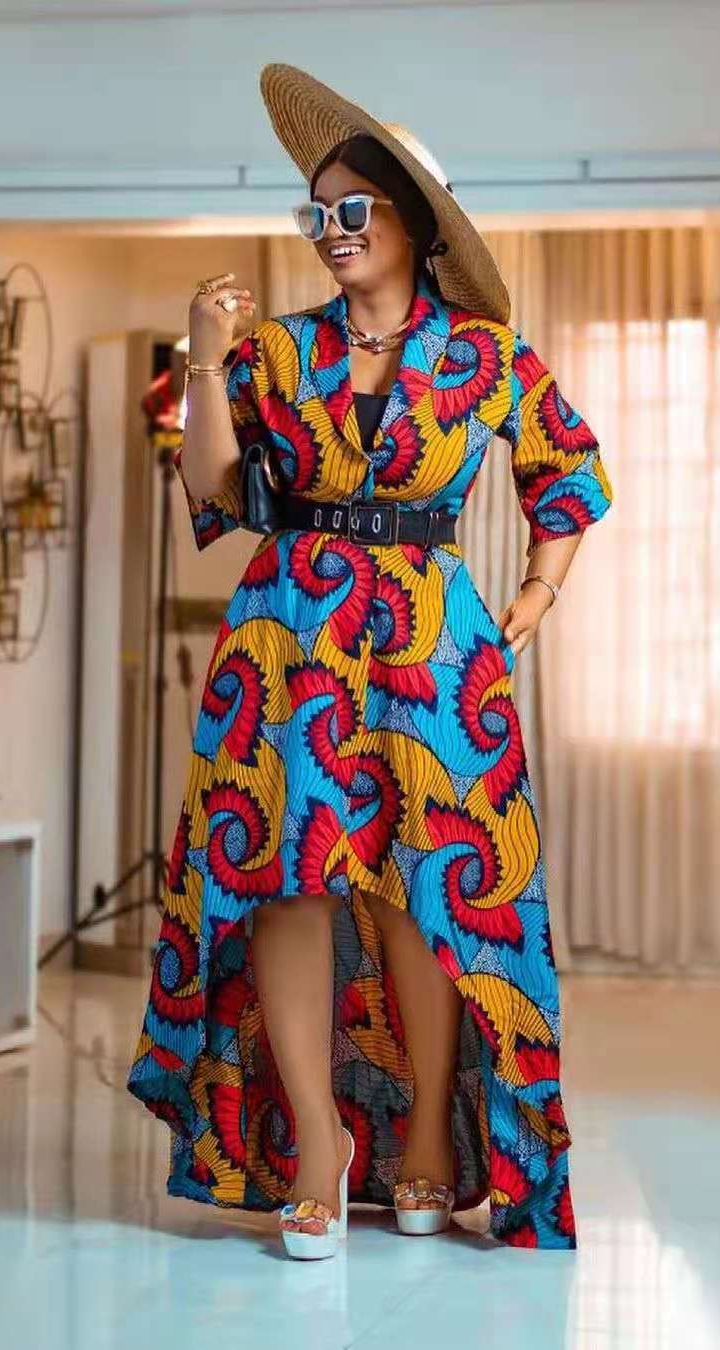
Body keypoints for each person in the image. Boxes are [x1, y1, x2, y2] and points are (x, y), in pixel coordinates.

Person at [125, 62, 613, 1259]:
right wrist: (204, 354)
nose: (330, 229)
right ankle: (316, 1146)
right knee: (285, 881)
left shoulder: (487, 355)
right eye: (317, 212)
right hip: (286, 640)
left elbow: (569, 473)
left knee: (426, 886)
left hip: (435, 648)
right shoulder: (276, 354)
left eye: (353, 209)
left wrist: (536, 593)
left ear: (417, 224)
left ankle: (432, 1138)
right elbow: (217, 492)